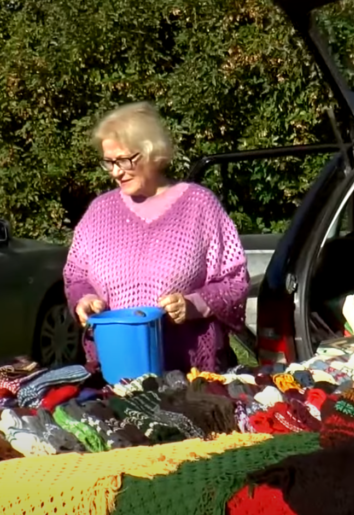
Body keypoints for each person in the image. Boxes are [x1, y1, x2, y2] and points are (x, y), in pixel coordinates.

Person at [63, 101, 249, 373]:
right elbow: (76, 276)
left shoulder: (199, 205)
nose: (115, 171)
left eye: (124, 160)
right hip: (114, 369)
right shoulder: (98, 212)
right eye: (109, 162)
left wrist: (193, 305)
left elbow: (234, 282)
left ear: (152, 152)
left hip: (189, 369)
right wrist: (85, 299)